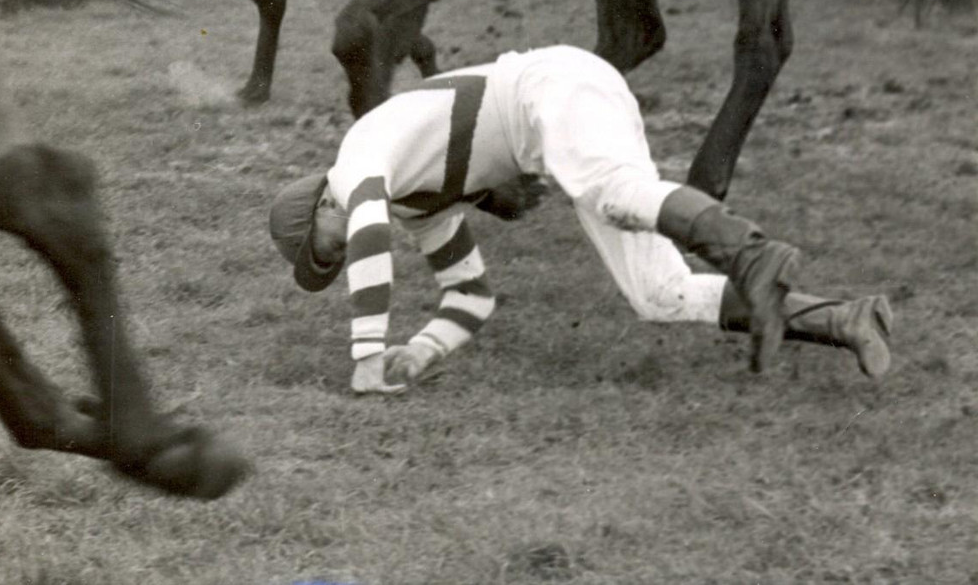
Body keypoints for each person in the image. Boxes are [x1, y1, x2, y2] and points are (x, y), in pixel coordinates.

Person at [269, 45, 893, 395]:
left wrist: (367, 356)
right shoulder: (416, 208)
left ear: (322, 205)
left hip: (552, 89)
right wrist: (424, 351)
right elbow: (471, 297)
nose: (337, 255)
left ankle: (753, 252)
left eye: (323, 249)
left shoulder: (353, 165)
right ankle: (846, 318)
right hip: (556, 120)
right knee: (660, 294)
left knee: (612, 189)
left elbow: (371, 234)